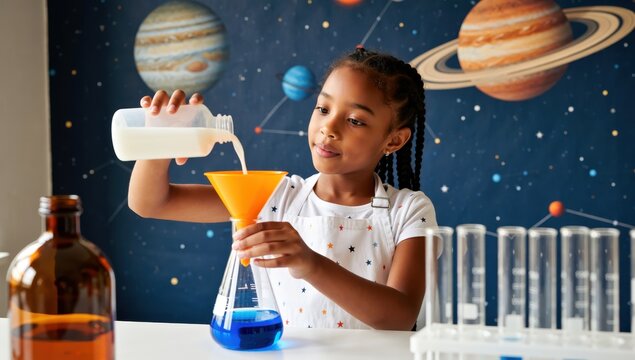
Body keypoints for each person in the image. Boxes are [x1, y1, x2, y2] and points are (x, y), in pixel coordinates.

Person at [128, 47, 437, 330]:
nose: (328, 128)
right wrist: (159, 141)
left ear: (394, 140)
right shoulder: (273, 195)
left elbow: (399, 317)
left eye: (355, 120)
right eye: (323, 109)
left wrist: (310, 262)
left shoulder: (409, 211)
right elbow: (152, 202)